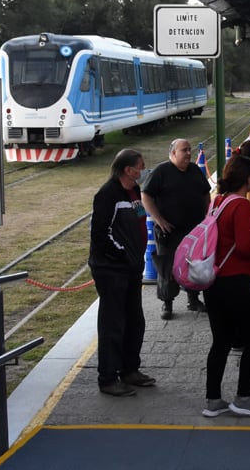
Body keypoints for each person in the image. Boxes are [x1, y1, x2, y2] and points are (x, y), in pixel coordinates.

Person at [201, 156, 250, 418]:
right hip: (235, 282)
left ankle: (213, 400)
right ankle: (243, 396)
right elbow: (243, 246)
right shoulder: (242, 205)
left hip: (213, 281)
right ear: (247, 179)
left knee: (221, 341)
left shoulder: (218, 201)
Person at [88, 149, 155, 397]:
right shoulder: (107, 195)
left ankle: (130, 369)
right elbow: (100, 235)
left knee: (134, 321)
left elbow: (140, 218)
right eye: (141, 166)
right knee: (113, 324)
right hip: (112, 271)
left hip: (132, 269)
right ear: (128, 170)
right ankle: (108, 377)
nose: (143, 170)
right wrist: (123, 255)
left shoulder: (135, 191)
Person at [142, 138, 211, 320]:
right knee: (167, 268)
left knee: (193, 266)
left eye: (190, 149)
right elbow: (146, 196)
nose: (189, 153)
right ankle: (167, 302)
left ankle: (193, 299)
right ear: (173, 153)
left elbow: (206, 193)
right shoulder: (161, 171)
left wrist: (205, 217)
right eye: (184, 150)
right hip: (169, 231)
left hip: (193, 231)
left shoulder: (195, 170)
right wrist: (159, 219)